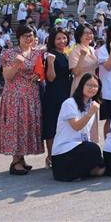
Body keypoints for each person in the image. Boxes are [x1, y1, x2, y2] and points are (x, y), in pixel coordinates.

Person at [0, 24, 44, 175]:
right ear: (19, 37)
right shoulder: (9, 53)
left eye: (31, 35)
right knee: (16, 125)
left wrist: (38, 75)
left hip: (31, 95)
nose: (28, 38)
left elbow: (40, 73)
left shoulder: (37, 53)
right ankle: (15, 160)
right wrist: (17, 63)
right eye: (25, 36)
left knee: (26, 125)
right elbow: (7, 76)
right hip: (14, 96)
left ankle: (21, 158)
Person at [50, 73, 106, 181]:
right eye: (89, 85)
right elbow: (76, 126)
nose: (92, 88)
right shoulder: (69, 103)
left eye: (95, 86)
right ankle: (70, 173)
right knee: (92, 149)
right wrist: (90, 113)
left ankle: (84, 171)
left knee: (101, 164)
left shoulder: (91, 105)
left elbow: (85, 133)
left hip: (79, 148)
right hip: (64, 152)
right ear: (82, 86)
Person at [42, 28, 72, 169]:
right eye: (58, 38)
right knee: (52, 125)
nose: (62, 41)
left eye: (64, 38)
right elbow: (50, 78)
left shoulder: (65, 54)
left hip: (66, 92)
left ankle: (62, 155)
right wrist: (50, 62)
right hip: (54, 94)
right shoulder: (50, 55)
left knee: (65, 125)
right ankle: (51, 156)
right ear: (52, 40)